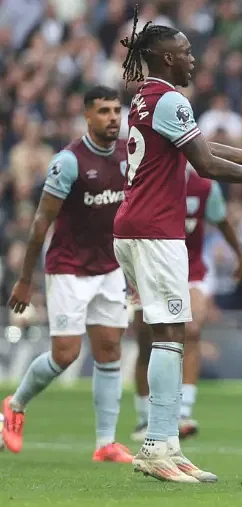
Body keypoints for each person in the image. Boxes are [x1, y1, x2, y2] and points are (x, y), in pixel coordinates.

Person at [114, 11, 242, 483]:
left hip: (134, 227)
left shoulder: (145, 97)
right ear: (165, 58)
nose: (193, 60)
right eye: (185, 53)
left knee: (167, 332)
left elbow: (204, 149)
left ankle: (168, 445)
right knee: (171, 332)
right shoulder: (171, 99)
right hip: (156, 231)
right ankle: (158, 445)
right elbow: (205, 165)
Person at [3, 85, 133, 463]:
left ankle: (106, 443)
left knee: (109, 350)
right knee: (66, 354)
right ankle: (17, 403)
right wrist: (26, 279)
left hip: (109, 267)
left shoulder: (128, 153)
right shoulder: (69, 161)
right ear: (87, 117)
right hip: (69, 269)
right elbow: (42, 221)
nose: (112, 117)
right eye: (104, 111)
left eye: (116, 110)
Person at [131, 167, 242, 442]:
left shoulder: (205, 187)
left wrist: (240, 256)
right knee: (146, 342)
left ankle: (182, 411)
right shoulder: (146, 178)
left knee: (192, 330)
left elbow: (222, 222)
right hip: (150, 269)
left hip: (192, 271)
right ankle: (143, 417)